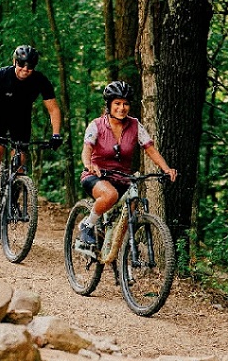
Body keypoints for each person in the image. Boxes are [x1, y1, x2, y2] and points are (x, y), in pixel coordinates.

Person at [75, 82, 177, 249]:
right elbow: (87, 150)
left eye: (126, 104)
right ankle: (87, 226)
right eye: (117, 103)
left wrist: (166, 169)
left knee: (132, 206)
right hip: (96, 176)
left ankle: (115, 251)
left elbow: (150, 150)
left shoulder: (135, 125)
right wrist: (89, 164)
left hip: (122, 178)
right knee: (110, 195)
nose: (122, 108)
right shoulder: (96, 125)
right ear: (109, 104)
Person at [0, 45, 65, 218]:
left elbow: (53, 109)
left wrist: (56, 134)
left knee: (20, 159)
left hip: (20, 119)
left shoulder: (40, 80)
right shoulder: (0, 76)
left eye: (30, 67)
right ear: (15, 62)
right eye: (21, 65)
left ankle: (13, 200)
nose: (25, 70)